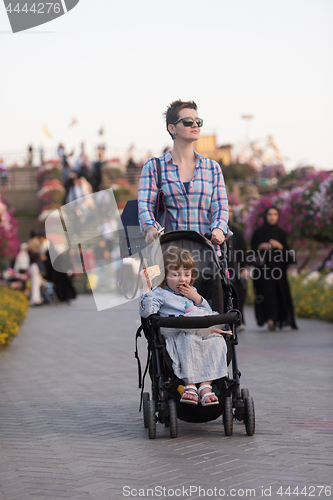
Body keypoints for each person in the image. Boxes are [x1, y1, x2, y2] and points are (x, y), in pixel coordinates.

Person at [139, 247, 231, 406]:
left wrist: (197, 298)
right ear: (164, 275)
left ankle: (205, 386)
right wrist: (146, 288)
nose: (182, 279)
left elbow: (206, 315)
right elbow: (147, 312)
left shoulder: (192, 291)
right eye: (175, 275)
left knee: (217, 340)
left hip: (199, 332)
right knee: (188, 340)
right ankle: (190, 385)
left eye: (187, 275)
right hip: (177, 334)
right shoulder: (160, 293)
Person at [138, 100, 230, 248]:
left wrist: (219, 228)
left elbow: (221, 207)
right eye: (187, 121)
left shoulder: (212, 168)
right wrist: (150, 228)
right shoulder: (154, 167)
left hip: (206, 252)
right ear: (172, 128)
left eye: (198, 121)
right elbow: (145, 206)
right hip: (170, 255)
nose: (195, 125)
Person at [250, 206, 297, 331]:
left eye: (275, 214)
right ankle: (270, 320)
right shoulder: (258, 232)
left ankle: (277, 319)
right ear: (265, 216)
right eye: (270, 214)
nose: (272, 217)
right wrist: (261, 246)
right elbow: (251, 253)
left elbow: (288, 254)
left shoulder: (280, 233)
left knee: (279, 294)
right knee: (266, 295)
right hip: (263, 272)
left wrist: (279, 246)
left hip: (278, 271)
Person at [225, 205, 248, 331]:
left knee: (240, 293)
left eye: (231, 211)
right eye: (227, 210)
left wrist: (244, 268)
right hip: (221, 269)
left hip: (236, 268)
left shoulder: (236, 231)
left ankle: (240, 320)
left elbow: (243, 251)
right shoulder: (213, 229)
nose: (229, 213)